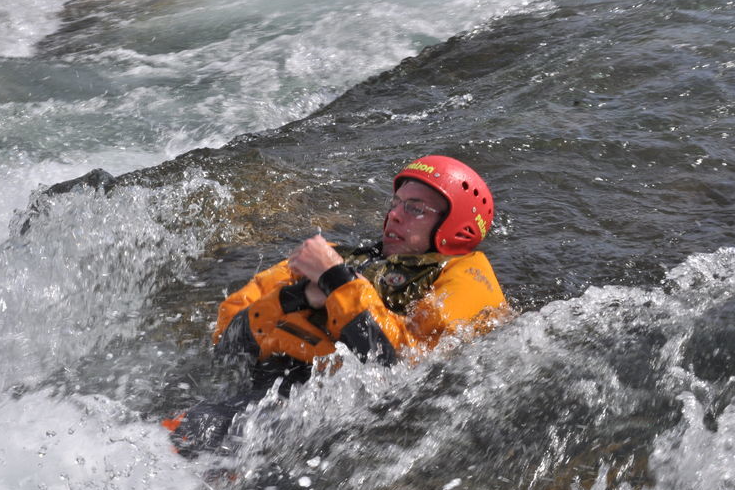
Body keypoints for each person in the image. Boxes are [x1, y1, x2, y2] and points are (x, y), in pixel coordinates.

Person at [166, 155, 508, 455]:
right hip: (269, 392)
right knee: (167, 439)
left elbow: (400, 372)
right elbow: (226, 342)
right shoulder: (337, 258)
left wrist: (337, 283)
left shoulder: (470, 282)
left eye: (415, 209)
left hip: (350, 425)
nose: (395, 216)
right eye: (396, 203)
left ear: (458, 227)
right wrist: (299, 296)